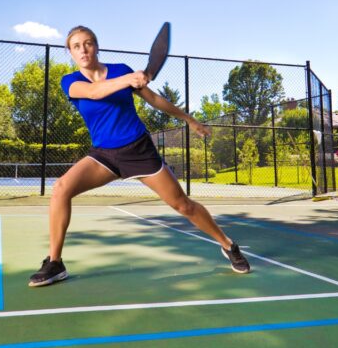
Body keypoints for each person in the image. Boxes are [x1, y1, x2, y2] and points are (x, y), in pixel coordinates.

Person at [29, 26, 250, 287]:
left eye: (88, 43)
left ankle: (227, 244)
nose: (83, 49)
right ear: (70, 52)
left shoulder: (121, 69)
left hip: (138, 150)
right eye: (76, 46)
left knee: (182, 205)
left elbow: (154, 99)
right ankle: (55, 262)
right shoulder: (70, 81)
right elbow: (94, 93)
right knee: (61, 188)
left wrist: (188, 119)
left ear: (97, 46)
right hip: (103, 156)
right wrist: (130, 80)